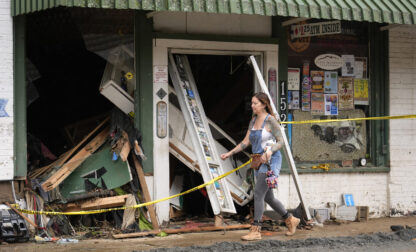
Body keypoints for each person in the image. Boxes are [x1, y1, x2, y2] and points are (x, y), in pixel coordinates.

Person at [220, 92, 300, 241]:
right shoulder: (253, 120)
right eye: (251, 103)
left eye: (255, 103)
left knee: (258, 194)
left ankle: (256, 230)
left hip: (271, 162)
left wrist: (270, 151)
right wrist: (230, 153)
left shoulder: (271, 121)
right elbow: (245, 142)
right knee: (268, 197)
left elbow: (281, 141)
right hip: (258, 162)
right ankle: (290, 219)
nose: (252, 106)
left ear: (263, 104)